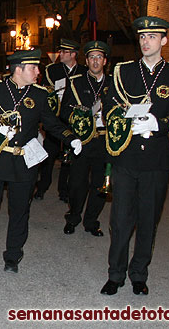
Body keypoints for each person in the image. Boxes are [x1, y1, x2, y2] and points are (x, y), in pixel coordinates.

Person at [0, 49, 81, 273]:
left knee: (20, 210)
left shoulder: (39, 95)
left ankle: (13, 254)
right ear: (18, 69)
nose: (38, 72)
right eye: (33, 68)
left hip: (23, 161)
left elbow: (51, 123)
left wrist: (71, 138)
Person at [101, 16, 169, 296]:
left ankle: (139, 273)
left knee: (148, 219)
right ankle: (115, 274)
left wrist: (158, 124)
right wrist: (124, 123)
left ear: (163, 40)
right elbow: (109, 108)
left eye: (152, 37)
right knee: (120, 219)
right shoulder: (123, 71)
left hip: (156, 159)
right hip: (126, 156)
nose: (145, 42)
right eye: (142, 37)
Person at [60, 41, 111, 237]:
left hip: (104, 140)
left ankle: (91, 221)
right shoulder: (76, 82)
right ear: (86, 61)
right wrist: (82, 117)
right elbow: (64, 111)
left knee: (100, 184)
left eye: (99, 57)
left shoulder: (113, 83)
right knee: (76, 183)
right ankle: (73, 217)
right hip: (82, 141)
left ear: (105, 61)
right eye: (91, 57)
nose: (95, 61)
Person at [36, 38, 87, 201]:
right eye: (61, 51)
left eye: (65, 52)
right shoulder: (52, 69)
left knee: (69, 156)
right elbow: (45, 92)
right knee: (49, 155)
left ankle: (63, 190)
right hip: (55, 118)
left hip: (72, 118)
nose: (61, 54)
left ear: (73, 54)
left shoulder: (83, 71)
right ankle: (42, 187)